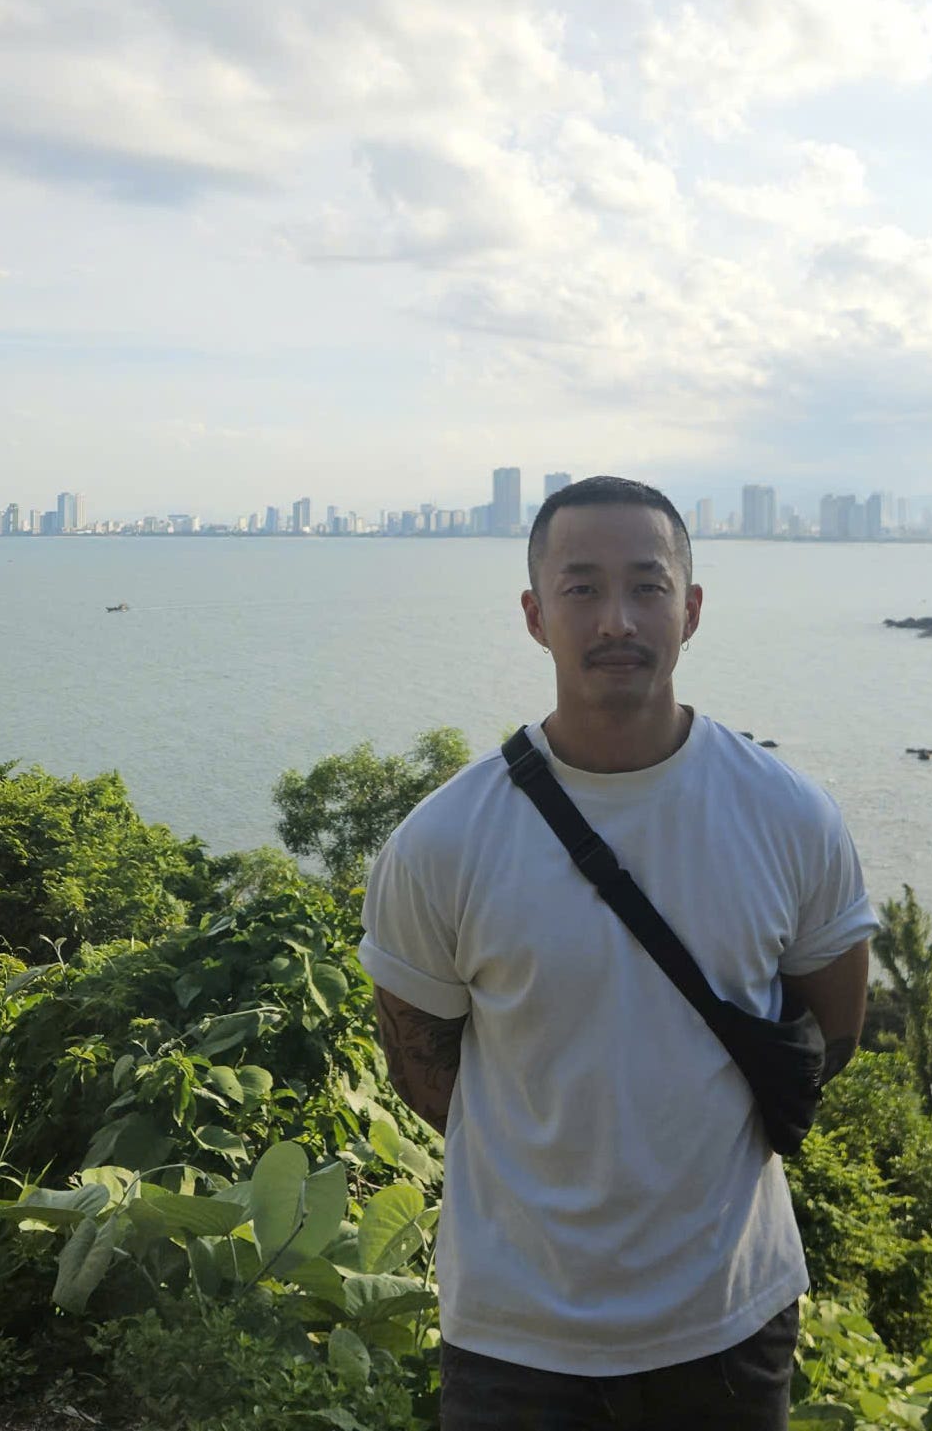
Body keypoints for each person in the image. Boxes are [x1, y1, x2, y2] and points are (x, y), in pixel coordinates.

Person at [358, 474, 875, 1429]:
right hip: (516, 1329)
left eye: (646, 586)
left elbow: (831, 1031)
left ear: (691, 607)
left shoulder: (787, 815)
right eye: (581, 588)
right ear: (533, 614)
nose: (616, 620)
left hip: (727, 1314)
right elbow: (423, 1070)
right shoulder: (445, 841)